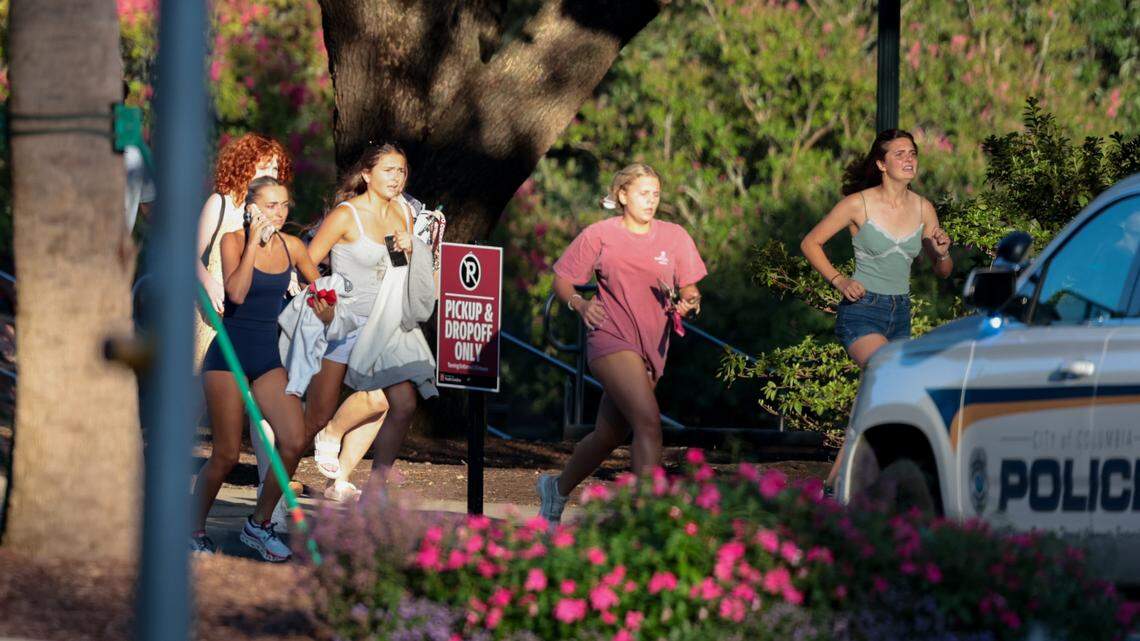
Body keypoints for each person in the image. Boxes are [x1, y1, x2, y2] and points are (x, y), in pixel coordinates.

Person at [536, 163, 707, 524]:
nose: (651, 201)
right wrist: (580, 304)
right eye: (644, 193)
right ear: (623, 195)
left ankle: (556, 489)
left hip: (653, 347)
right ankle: (647, 516)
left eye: (656, 194)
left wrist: (690, 300)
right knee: (648, 424)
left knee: (608, 434)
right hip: (610, 336)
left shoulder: (674, 236)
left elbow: (691, 286)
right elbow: (562, 280)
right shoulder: (599, 235)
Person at [799, 129, 953, 493]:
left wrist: (944, 251)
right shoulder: (859, 204)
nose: (908, 158)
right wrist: (838, 280)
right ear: (882, 164)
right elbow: (810, 242)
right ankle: (843, 487)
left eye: (912, 152)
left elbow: (943, 270)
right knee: (886, 376)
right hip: (863, 311)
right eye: (899, 153)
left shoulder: (923, 208)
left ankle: (839, 487)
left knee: (881, 396)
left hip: (900, 315)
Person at [191, 177, 330, 561]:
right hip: (229, 356)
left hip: (268, 357)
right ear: (251, 207)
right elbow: (235, 293)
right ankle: (193, 529)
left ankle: (259, 523)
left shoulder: (294, 246)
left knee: (293, 437)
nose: (279, 213)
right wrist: (254, 240)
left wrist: (322, 301)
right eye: (270, 206)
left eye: (284, 205)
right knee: (226, 455)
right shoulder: (234, 240)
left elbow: (323, 295)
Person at [303, 143, 440, 500]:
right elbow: (307, 263)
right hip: (347, 321)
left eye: (402, 171)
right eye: (389, 170)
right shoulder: (346, 215)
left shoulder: (405, 213)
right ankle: (325, 435)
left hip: (385, 323)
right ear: (367, 174)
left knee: (401, 403)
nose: (397, 178)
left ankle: (373, 489)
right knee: (319, 414)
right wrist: (324, 303)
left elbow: (400, 269)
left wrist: (415, 250)